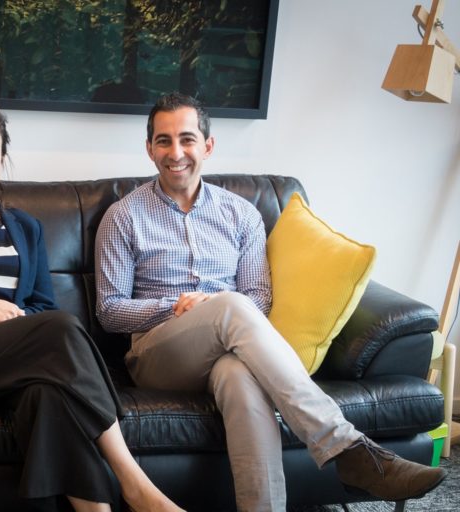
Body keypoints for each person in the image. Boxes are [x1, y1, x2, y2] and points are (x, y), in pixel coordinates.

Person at [94, 92, 447, 511]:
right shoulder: (123, 216)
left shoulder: (241, 215)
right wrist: (176, 307)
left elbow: (258, 298)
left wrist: (218, 307)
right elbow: (109, 310)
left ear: (208, 146)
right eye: (163, 141)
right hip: (157, 356)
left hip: (227, 349)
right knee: (229, 305)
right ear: (150, 149)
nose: (176, 152)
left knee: (239, 378)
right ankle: (345, 446)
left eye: (187, 139)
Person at [0, 102, 183, 512]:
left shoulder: (25, 228)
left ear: (1, 161)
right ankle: (134, 483)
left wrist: (7, 320)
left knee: (47, 398)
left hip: (19, 354)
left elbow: (40, 305)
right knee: (61, 328)